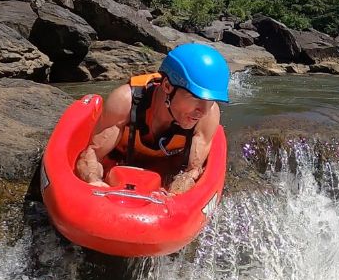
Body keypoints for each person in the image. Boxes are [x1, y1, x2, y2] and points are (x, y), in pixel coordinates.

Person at [74, 43, 230, 195]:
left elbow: (193, 172)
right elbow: (91, 154)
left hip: (166, 170)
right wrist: (94, 181)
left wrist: (173, 196)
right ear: (168, 86)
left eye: (211, 101)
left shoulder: (209, 115)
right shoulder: (125, 102)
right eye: (196, 98)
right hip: (120, 165)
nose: (202, 111)